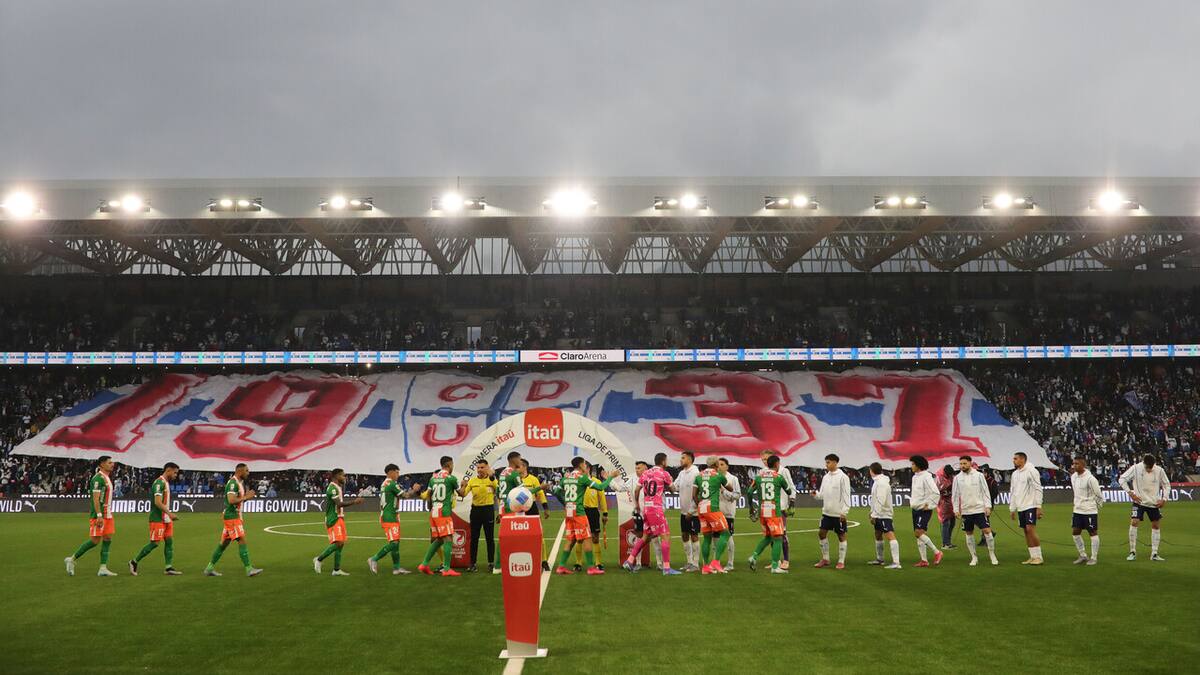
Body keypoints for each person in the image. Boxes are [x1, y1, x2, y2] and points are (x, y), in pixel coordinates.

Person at [553, 457, 615, 575]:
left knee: (571, 539)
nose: (585, 466)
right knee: (587, 538)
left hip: (569, 512)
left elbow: (556, 492)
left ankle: (561, 567)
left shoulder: (566, 478)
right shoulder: (582, 478)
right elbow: (601, 487)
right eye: (585, 464)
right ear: (581, 465)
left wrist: (565, 503)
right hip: (579, 512)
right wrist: (610, 477)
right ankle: (591, 567)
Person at [623, 453, 679, 575]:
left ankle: (629, 560)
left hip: (646, 509)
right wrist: (668, 486)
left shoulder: (646, 474)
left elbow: (637, 490)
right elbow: (674, 489)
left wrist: (637, 504)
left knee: (645, 536)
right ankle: (666, 568)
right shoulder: (664, 474)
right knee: (665, 535)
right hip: (656, 508)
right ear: (664, 461)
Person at [204, 463, 263, 577]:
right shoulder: (233, 483)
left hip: (233, 517)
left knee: (223, 545)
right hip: (231, 517)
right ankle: (249, 569)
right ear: (240, 471)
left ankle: (209, 568)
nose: (248, 473)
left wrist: (245, 496)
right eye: (246, 470)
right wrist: (246, 497)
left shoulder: (239, 483)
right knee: (242, 540)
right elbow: (231, 500)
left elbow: (237, 500)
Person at [65, 455, 119, 577]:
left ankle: (103, 568)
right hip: (99, 515)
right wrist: (99, 515)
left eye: (112, 462)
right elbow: (95, 499)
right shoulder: (97, 479)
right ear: (102, 464)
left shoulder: (106, 478)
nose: (112, 464)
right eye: (109, 462)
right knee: (95, 541)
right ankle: (72, 559)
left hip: (108, 514)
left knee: (108, 538)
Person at [418, 455, 469, 576]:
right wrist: (464, 485)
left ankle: (424, 564)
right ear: (449, 465)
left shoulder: (433, 478)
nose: (453, 467)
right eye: (452, 465)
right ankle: (446, 569)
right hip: (444, 512)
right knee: (448, 538)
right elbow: (461, 494)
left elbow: (428, 494)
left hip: (434, 512)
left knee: (439, 539)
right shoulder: (451, 478)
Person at [129, 462, 182, 576]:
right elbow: (157, 502)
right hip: (157, 518)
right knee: (155, 543)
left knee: (169, 541)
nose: (176, 475)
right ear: (168, 470)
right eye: (175, 472)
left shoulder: (165, 483)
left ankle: (168, 568)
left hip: (165, 519)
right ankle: (134, 561)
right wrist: (170, 513)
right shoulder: (159, 483)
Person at [368, 463, 422, 575]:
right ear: (390, 472)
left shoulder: (386, 483)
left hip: (391, 515)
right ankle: (374, 559)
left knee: (396, 543)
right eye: (397, 472)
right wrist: (414, 489)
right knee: (393, 543)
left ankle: (396, 568)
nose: (398, 474)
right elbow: (406, 496)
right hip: (389, 517)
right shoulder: (391, 484)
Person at [1119, 454, 1170, 562]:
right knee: (1134, 522)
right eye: (1148, 467)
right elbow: (1122, 479)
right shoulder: (1136, 468)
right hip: (1139, 502)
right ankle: (1132, 551)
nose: (1149, 469)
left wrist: (1164, 499)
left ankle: (1154, 554)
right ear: (1144, 463)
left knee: (1156, 525)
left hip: (1153, 503)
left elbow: (1166, 485)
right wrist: (1130, 493)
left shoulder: (1159, 470)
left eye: (1151, 467)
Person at [313, 468, 364, 576]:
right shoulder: (332, 488)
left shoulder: (337, 487)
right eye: (343, 475)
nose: (344, 478)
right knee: (338, 543)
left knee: (341, 544)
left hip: (339, 517)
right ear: (336, 476)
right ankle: (319, 559)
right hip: (333, 518)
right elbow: (339, 504)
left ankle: (336, 570)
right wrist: (354, 501)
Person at [746, 453, 791, 574]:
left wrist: (751, 507)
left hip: (762, 511)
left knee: (767, 537)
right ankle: (775, 566)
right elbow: (789, 490)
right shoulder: (779, 477)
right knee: (778, 538)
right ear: (777, 464)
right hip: (774, 512)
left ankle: (754, 557)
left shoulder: (759, 477)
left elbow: (749, 492)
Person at [952, 456, 997, 567]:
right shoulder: (957, 478)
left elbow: (985, 492)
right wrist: (956, 509)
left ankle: (992, 554)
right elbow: (955, 495)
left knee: (987, 531)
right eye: (961, 464)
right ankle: (974, 557)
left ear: (970, 463)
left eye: (964, 463)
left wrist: (988, 506)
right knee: (969, 533)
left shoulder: (979, 475)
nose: (962, 466)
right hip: (966, 510)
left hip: (979, 509)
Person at [694, 457, 732, 574]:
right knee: (725, 533)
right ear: (716, 464)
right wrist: (720, 485)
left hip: (701, 507)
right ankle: (716, 561)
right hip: (713, 507)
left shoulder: (698, 476)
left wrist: (700, 504)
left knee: (707, 538)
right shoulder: (718, 475)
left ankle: (705, 567)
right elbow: (730, 488)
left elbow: (694, 495)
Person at [813, 453, 850, 569]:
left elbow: (846, 495)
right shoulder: (825, 477)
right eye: (826, 462)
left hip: (838, 513)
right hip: (826, 512)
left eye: (828, 462)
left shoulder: (843, 477)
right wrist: (816, 495)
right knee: (821, 533)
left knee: (841, 536)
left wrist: (844, 512)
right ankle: (825, 558)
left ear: (835, 462)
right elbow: (822, 495)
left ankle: (841, 561)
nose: (826, 465)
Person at [760, 450, 796, 569]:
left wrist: (792, 502)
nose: (765, 462)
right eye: (763, 459)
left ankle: (786, 560)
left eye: (766, 459)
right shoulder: (763, 472)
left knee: (782, 533)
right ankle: (776, 560)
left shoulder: (784, 471)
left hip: (781, 507)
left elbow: (791, 487)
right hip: (768, 509)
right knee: (771, 534)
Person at [1009, 451, 1045, 565]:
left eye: (1015, 458)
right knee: (1025, 531)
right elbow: (1013, 491)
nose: (1013, 460)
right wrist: (1012, 508)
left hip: (1031, 505)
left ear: (1022, 459)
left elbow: (1038, 488)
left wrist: (1038, 506)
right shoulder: (1015, 474)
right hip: (1021, 506)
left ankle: (1039, 557)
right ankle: (1033, 556)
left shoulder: (1032, 471)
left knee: (1030, 529)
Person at [908, 455, 943, 567]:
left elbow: (936, 492)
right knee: (919, 535)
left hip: (924, 509)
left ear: (918, 465)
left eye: (913, 464)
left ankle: (937, 552)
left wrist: (930, 505)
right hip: (915, 508)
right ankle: (924, 560)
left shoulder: (926, 477)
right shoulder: (915, 477)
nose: (911, 466)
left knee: (918, 533)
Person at [518, 459, 551, 571]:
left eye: (519, 466)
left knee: (539, 535)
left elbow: (540, 493)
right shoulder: (515, 479)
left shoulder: (533, 479)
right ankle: (524, 560)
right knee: (520, 537)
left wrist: (545, 508)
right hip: (518, 510)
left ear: (525, 467)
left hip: (532, 508)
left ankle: (544, 561)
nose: (516, 468)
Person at [465, 459, 499, 573]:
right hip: (475, 511)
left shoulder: (492, 480)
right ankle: (472, 563)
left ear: (487, 467)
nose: (479, 470)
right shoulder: (472, 481)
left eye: (482, 467)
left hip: (488, 510)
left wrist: (492, 476)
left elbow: (498, 490)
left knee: (490, 538)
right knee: (474, 538)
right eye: (478, 467)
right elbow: (463, 493)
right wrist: (461, 487)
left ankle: (490, 563)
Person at [1069, 457, 1103, 565]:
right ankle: (1083, 555)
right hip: (1077, 510)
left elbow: (1098, 495)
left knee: (1092, 533)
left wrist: (1094, 508)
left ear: (1083, 465)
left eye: (1077, 464)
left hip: (1089, 511)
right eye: (1073, 464)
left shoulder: (1091, 479)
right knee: (1075, 532)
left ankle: (1094, 557)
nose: (1074, 466)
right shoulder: (1073, 477)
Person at [867, 462, 901, 569]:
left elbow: (880, 500)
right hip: (879, 513)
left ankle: (896, 563)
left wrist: (874, 515)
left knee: (890, 535)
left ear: (872, 471)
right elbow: (876, 499)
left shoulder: (881, 483)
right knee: (878, 534)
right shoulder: (879, 481)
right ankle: (880, 559)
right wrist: (872, 511)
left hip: (883, 514)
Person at [576, 465, 610, 571]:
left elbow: (602, 499)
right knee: (580, 538)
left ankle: (598, 562)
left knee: (595, 538)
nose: (581, 470)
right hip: (581, 512)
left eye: (583, 468)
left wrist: (605, 513)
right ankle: (578, 563)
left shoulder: (596, 482)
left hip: (593, 511)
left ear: (589, 469)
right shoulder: (577, 481)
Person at [673, 451, 701, 572]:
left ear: (690, 459)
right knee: (684, 535)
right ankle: (689, 562)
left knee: (694, 536)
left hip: (693, 513)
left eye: (683, 458)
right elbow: (675, 487)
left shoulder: (696, 473)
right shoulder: (682, 473)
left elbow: (698, 494)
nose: (681, 460)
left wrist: (692, 510)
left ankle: (695, 563)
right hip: (684, 512)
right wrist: (668, 482)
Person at [717, 458, 740, 571]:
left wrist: (724, 491)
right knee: (715, 538)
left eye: (722, 464)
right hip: (716, 512)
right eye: (718, 464)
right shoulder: (715, 477)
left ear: (727, 466)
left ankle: (730, 563)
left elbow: (737, 495)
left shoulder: (733, 479)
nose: (719, 466)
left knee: (729, 537)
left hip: (728, 512)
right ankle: (716, 562)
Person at [936, 464, 957, 548]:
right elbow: (937, 490)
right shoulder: (939, 478)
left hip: (951, 502)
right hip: (943, 503)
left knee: (952, 522)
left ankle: (948, 542)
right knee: (946, 523)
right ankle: (945, 543)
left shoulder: (951, 476)